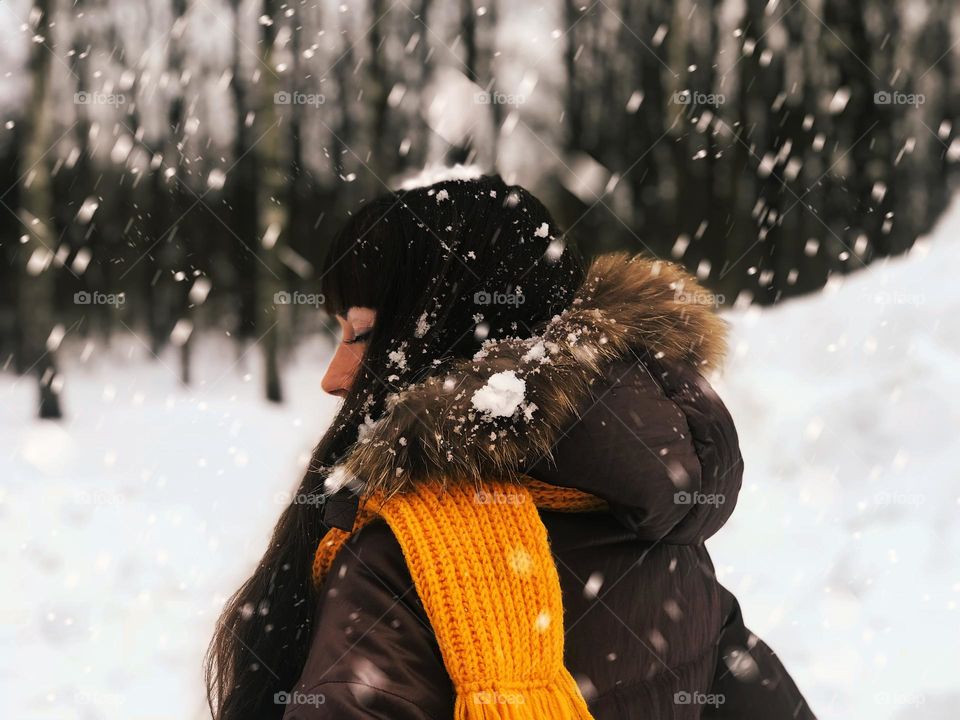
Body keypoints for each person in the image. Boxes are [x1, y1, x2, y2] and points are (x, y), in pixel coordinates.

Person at [206, 174, 816, 719]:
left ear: (437, 339)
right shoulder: (665, 543)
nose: (335, 377)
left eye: (362, 335)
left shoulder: (405, 564)